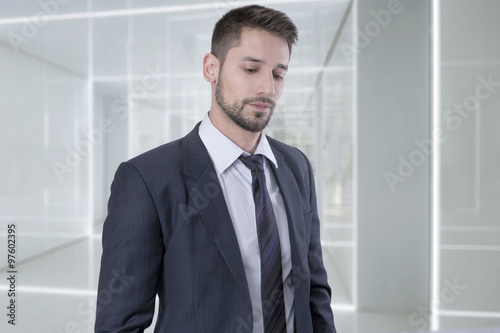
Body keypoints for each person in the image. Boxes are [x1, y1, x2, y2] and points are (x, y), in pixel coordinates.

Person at [95, 4, 336, 333]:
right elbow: (119, 325)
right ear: (211, 68)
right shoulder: (147, 180)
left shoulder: (296, 166)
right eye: (251, 69)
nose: (268, 88)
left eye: (278, 74)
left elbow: (314, 291)